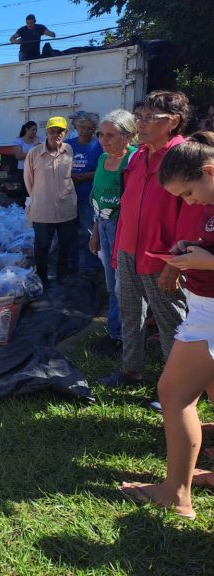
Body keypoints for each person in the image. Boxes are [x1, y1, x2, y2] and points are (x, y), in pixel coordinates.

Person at [119, 131, 214, 519]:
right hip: (203, 304)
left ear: (209, 171)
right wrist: (188, 253)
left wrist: (206, 262)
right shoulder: (207, 197)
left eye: (190, 193)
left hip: (210, 313)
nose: (189, 202)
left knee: (174, 395)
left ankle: (176, 494)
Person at [99, 91, 203, 390]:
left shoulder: (184, 157)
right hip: (129, 250)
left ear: (173, 122)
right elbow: (127, 206)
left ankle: (177, 387)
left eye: (148, 118)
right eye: (139, 117)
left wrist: (175, 265)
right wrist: (118, 249)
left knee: (172, 321)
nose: (140, 124)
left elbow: (192, 216)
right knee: (130, 314)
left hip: (164, 257)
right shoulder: (139, 156)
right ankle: (131, 371)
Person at [88, 110, 137, 357]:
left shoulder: (134, 160)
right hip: (105, 227)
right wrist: (95, 232)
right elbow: (98, 199)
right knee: (110, 282)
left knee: (123, 285)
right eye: (101, 135)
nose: (103, 140)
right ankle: (115, 331)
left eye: (110, 135)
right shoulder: (102, 159)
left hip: (124, 228)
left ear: (128, 136)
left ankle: (121, 336)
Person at [24, 116, 77, 286]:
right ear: (46, 132)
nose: (56, 134)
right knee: (42, 247)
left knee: (66, 246)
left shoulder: (69, 150)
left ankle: (62, 277)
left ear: (66, 132)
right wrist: (40, 196)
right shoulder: (34, 153)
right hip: (42, 210)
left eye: (60, 131)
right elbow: (28, 180)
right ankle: (42, 280)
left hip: (66, 209)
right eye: (52, 131)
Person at [65, 112, 103, 272]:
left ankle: (91, 264)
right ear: (76, 127)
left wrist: (85, 176)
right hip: (68, 195)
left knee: (89, 230)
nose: (85, 131)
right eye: (82, 127)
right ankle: (70, 263)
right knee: (68, 231)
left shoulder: (99, 146)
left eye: (90, 128)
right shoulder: (67, 145)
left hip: (89, 195)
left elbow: (103, 170)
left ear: (95, 129)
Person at [13, 121, 41, 197]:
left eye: (36, 130)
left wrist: (38, 146)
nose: (35, 132)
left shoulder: (39, 140)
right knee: (26, 193)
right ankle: (26, 208)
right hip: (23, 170)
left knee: (37, 192)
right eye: (33, 129)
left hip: (36, 170)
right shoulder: (18, 141)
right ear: (26, 129)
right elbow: (19, 156)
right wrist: (34, 148)